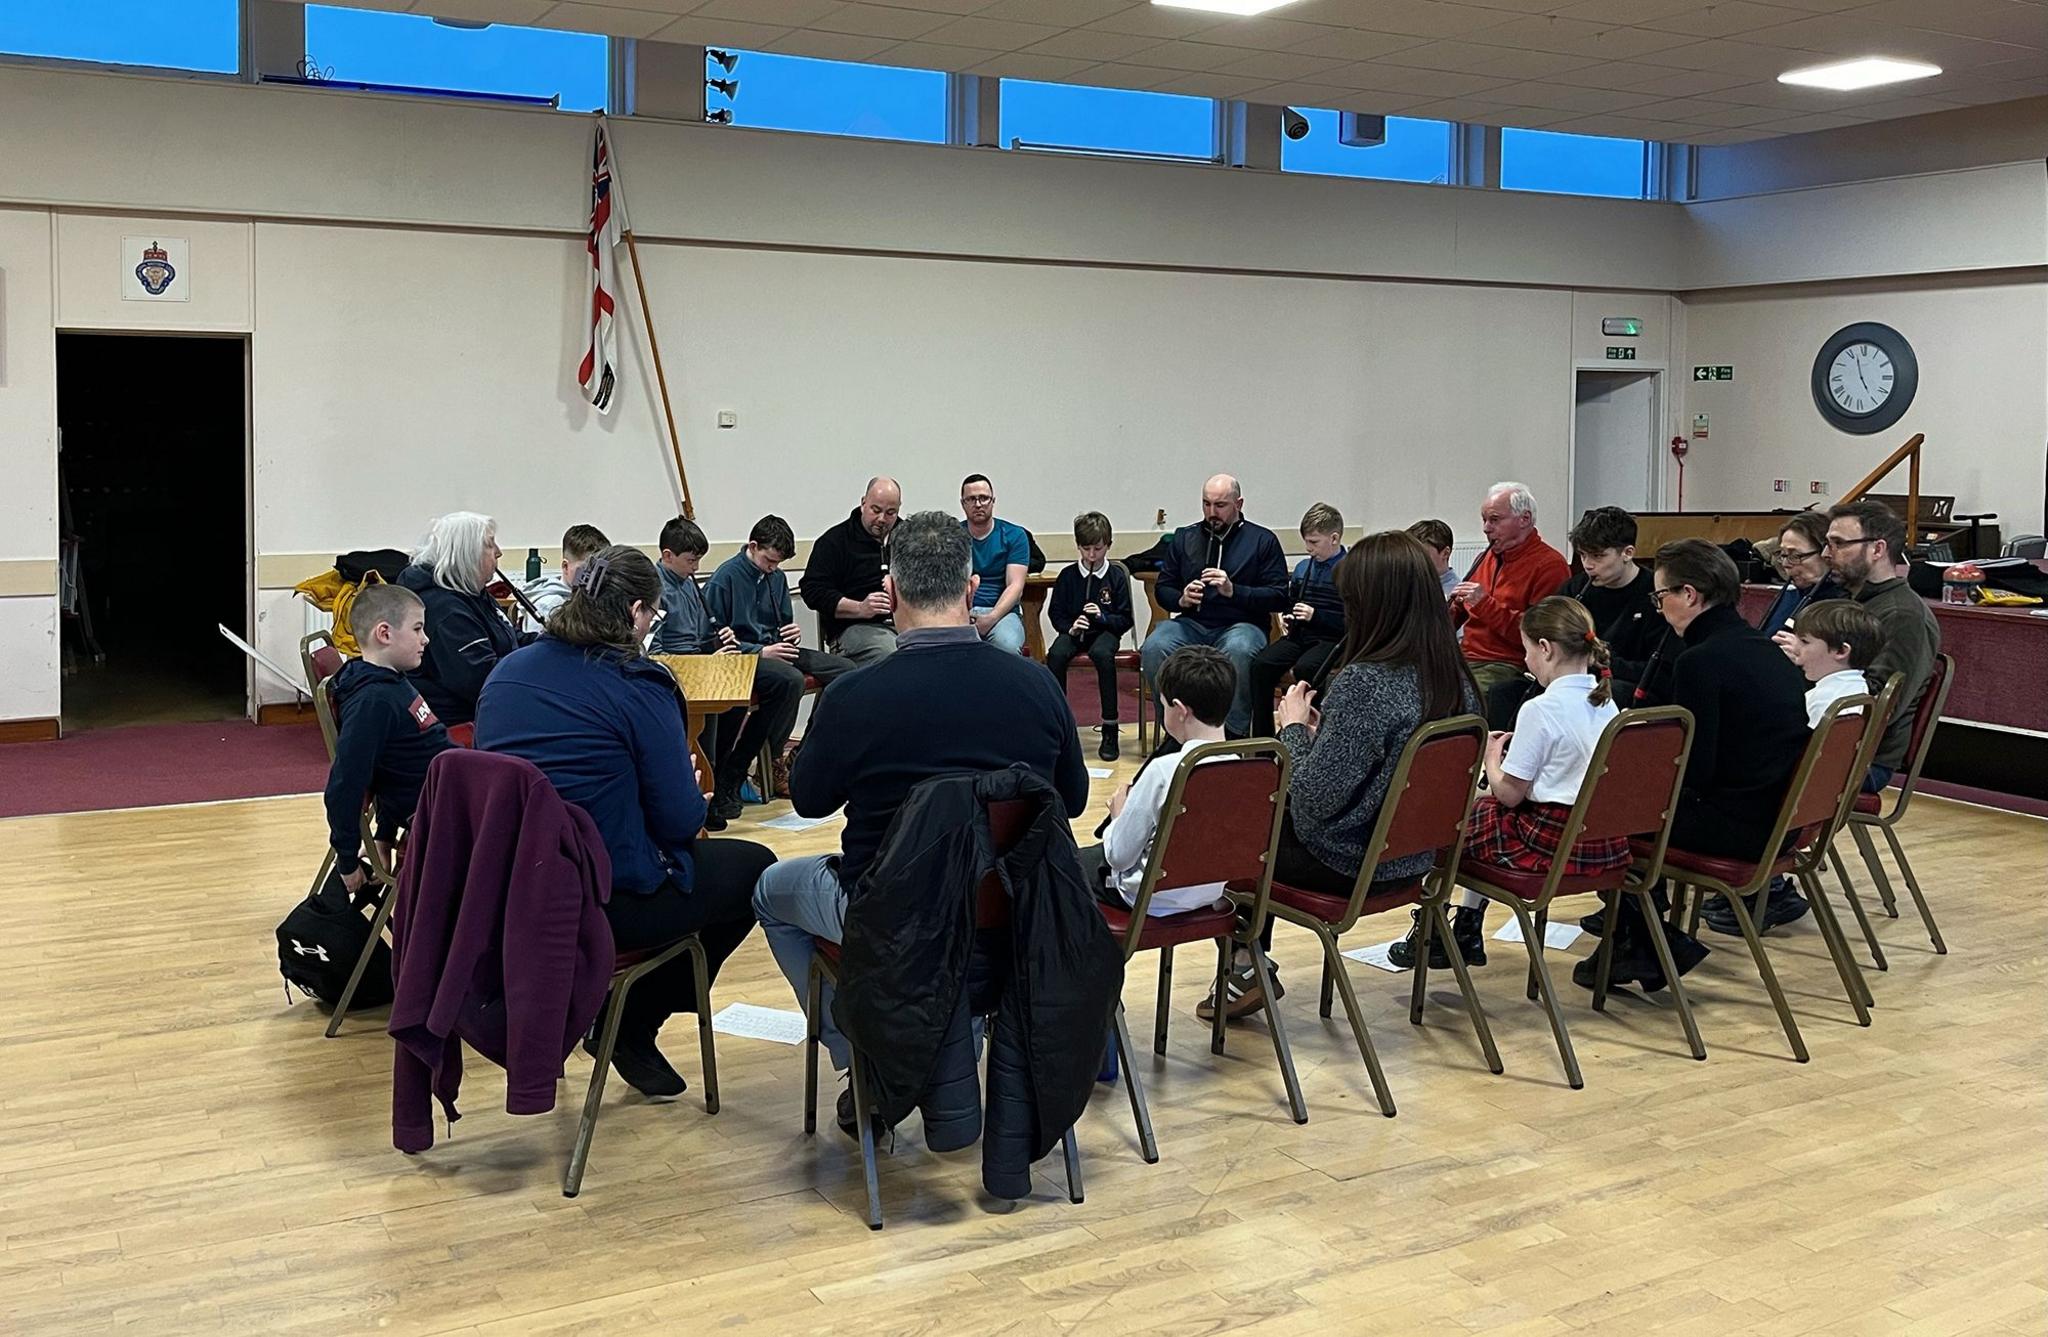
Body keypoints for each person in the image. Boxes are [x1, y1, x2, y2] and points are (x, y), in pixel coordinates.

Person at [751, 511, 1089, 1134]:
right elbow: (1070, 800)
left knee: (770, 890)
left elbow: (808, 802)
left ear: (894, 591)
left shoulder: (854, 696)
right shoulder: (1038, 687)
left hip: (892, 919)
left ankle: (861, 1060)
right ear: (969, 591)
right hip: (1011, 913)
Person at [475, 546, 774, 1099]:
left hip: (514, 891)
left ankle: (622, 1018)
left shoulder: (506, 674)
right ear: (637, 611)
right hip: (603, 896)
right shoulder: (639, 684)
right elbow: (683, 819)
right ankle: (634, 1019)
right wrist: (682, 783)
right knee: (757, 868)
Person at [1223, 531, 1481, 1022]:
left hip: (1349, 862)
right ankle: (1244, 968)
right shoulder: (1454, 677)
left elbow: (1314, 799)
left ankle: (1243, 966)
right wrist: (1328, 736)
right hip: (1414, 859)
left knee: (1234, 832)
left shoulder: (1365, 682)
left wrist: (1295, 729)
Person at [1583, 539, 1809, 982]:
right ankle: (1646, 936)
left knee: (1599, 816)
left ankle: (1646, 941)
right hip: (1781, 817)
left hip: (1740, 827)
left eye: (1660, 595)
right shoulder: (1761, 647)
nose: (1657, 606)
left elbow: (1695, 772)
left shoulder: (1700, 661)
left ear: (1690, 595)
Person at [1393, 597, 1630, 969]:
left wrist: (1491, 754)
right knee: (1482, 813)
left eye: (1526, 650)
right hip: (1601, 841)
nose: (1524, 661)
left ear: (1546, 649)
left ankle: (1440, 932)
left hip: (1547, 841)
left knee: (1450, 826)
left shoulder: (1540, 708)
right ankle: (1464, 929)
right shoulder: (1606, 703)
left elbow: (1509, 792)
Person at [702, 514, 857, 818]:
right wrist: (760, 650)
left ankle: (802, 754)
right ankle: (743, 767)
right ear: (752, 546)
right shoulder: (725, 578)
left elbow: (783, 621)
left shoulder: (775, 577)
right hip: (743, 657)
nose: (773, 568)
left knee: (846, 670)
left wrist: (792, 631)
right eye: (769, 561)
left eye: (777, 564)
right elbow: (715, 638)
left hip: (776, 649)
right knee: (788, 680)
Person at [1080, 645, 1234, 915]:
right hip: (1209, 890)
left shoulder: (1165, 770)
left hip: (1147, 896)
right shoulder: (1247, 767)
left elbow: (1119, 856)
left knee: (1057, 865)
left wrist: (1118, 816)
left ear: (1179, 710)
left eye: (1162, 706)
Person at [322, 583, 452, 894]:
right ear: (384, 633)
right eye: (418, 629)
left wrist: (383, 834)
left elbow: (396, 765)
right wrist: (347, 860)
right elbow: (346, 784)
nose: (426, 639)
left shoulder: (391, 681)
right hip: (442, 804)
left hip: (446, 789)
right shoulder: (373, 701)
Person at [1141, 474, 1288, 738]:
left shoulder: (1262, 541)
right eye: (1206, 504)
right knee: (1155, 646)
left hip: (1243, 625)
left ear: (1239, 504)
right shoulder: (1185, 538)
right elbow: (1163, 587)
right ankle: (1176, 731)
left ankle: (1232, 735)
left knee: (1239, 650)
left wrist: (1234, 591)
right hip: (1192, 624)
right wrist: (1181, 599)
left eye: (1220, 505)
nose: (1212, 513)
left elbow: (1278, 596)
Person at [1825, 500, 1940, 790]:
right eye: (1827, 544)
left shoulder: (1902, 616)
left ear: (1877, 549)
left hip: (1863, 759)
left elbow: (1879, 706)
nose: (1827, 554)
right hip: (1834, 743)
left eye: (1838, 544)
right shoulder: (1854, 601)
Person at [1452, 482, 1570, 728]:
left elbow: (1540, 637)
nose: (1486, 528)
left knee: (1456, 698)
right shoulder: (1485, 557)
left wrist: (1485, 605)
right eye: (1484, 520)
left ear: (1524, 518)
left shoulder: (1550, 565)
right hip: (1466, 657)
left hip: (1508, 663)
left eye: (1494, 520)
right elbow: (1458, 614)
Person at [398, 510, 531, 726]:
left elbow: (509, 637)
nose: (498, 552)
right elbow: (480, 680)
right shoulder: (445, 609)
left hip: (484, 709)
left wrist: (551, 642)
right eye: (490, 544)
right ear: (467, 553)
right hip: (462, 724)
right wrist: (537, 668)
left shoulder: (471, 594)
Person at [1244, 503, 1347, 738]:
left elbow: (1353, 623)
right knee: (1261, 665)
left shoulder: (1351, 570)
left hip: (1333, 638)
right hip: (1302, 635)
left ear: (1334, 538)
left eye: (1314, 542)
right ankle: (1264, 739)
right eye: (1306, 542)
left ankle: (1312, 734)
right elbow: (1291, 602)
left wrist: (1316, 615)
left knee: (1307, 667)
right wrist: (1290, 616)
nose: (1308, 549)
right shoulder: (1303, 568)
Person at [1045, 511, 1134, 762]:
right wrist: (1071, 627)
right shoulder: (1067, 576)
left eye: (1098, 548)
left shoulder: (1116, 576)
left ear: (1108, 545)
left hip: (1105, 632)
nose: (1092, 556)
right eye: (1086, 549)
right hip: (1075, 631)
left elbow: (1125, 618)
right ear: (1078, 546)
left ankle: (1110, 727)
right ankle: (1058, 726)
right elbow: (1056, 613)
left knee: (1102, 654)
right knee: (1057, 655)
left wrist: (1103, 617)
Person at [1558, 506, 1669, 705]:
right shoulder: (1575, 588)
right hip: (1580, 679)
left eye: (1597, 556)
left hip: (1630, 687)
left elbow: (1660, 670)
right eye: (1583, 555)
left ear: (1627, 553)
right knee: (1506, 691)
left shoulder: (1656, 594)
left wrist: (1605, 664)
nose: (1588, 564)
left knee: (1607, 693)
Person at [799, 476, 902, 664]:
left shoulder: (908, 538)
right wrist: (860, 608)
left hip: (905, 625)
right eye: (876, 510)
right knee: (891, 654)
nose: (882, 519)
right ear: (863, 503)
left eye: (891, 513)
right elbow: (813, 590)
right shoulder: (835, 541)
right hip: (854, 628)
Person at [959, 474, 1031, 656]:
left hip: (1002, 612)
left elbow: (1015, 586)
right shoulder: (953, 536)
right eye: (971, 499)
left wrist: (991, 618)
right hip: (960, 611)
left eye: (983, 498)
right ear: (963, 503)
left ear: (993, 501)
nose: (978, 504)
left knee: (1007, 646)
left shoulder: (1015, 535)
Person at [1786, 600, 1886, 728]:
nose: (1795, 649)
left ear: (1841, 650)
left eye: (1805, 642)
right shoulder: (1859, 688)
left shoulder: (1824, 700)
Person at [1756, 511, 1843, 637]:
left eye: (1795, 555)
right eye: (1783, 555)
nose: (1785, 564)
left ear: (1825, 552)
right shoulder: (1788, 596)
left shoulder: (1839, 605)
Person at [520, 523, 609, 631]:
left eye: (598, 569)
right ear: (565, 566)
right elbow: (538, 644)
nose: (592, 575)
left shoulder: (596, 597)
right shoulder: (549, 604)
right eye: (585, 568)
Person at [1408, 519, 1458, 599]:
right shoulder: (1409, 586)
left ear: (1445, 553)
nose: (1415, 560)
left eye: (1423, 555)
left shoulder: (1456, 595)